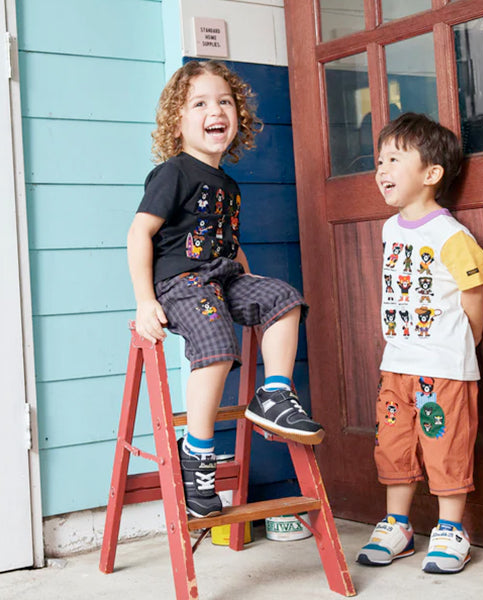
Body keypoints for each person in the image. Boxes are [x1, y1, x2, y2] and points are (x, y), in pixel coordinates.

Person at [127, 60, 324, 519]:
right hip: (180, 283)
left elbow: (230, 247)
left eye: (224, 102)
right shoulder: (174, 173)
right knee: (217, 344)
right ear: (178, 122)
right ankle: (197, 454)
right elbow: (139, 234)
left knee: (284, 298)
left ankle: (274, 394)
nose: (215, 110)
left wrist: (252, 286)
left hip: (222, 278)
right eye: (199, 104)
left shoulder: (229, 186)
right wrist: (145, 300)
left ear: (238, 117)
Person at [357, 113, 483, 574]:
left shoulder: (451, 235)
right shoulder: (390, 229)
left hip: (444, 367)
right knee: (393, 443)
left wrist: (465, 342)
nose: (382, 169)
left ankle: (451, 530)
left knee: (444, 444)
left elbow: (474, 292)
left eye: (395, 159)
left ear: (431, 174)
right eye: (379, 161)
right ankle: (397, 525)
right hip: (397, 364)